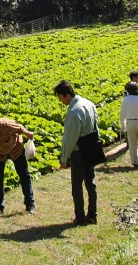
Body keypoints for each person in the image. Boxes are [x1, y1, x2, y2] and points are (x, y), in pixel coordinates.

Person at [54, 80, 99, 226]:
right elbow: (96, 124)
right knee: (91, 183)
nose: (60, 101)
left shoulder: (73, 112)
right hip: (91, 147)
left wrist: (64, 157)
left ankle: (80, 218)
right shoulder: (89, 103)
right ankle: (92, 215)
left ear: (67, 96)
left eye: (60, 97)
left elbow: (70, 137)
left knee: (77, 185)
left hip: (79, 152)